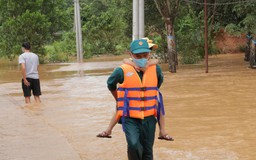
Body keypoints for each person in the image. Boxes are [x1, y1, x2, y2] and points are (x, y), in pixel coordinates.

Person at [101, 39, 169, 160]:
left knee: (148, 151)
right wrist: (118, 99)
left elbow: (156, 86)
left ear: (149, 54)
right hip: (130, 118)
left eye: (145, 55)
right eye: (138, 55)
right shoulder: (121, 71)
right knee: (133, 145)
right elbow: (110, 84)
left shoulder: (156, 69)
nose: (142, 58)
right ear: (131, 55)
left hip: (149, 119)